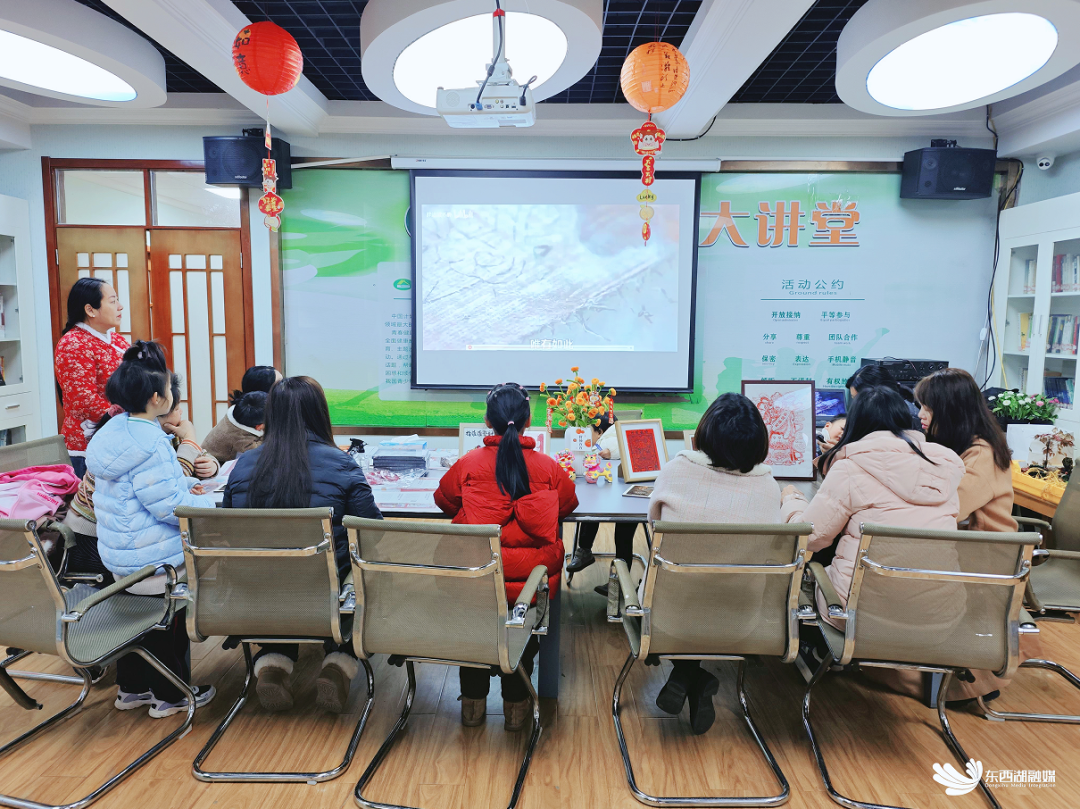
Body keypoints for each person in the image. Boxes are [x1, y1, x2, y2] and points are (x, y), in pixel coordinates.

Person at [223, 376, 382, 714]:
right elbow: (372, 530)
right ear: (319, 413)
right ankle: (337, 664)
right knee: (363, 570)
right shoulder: (342, 463)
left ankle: (272, 665)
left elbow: (228, 525)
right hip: (325, 589)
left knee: (278, 577)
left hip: (255, 588)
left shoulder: (244, 464)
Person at [781, 386, 965, 674]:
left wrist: (792, 501)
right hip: (940, 616)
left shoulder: (850, 468)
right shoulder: (943, 468)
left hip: (860, 616)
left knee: (804, 571)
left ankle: (818, 651)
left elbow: (809, 538)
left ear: (856, 423)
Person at [435, 382, 578, 731]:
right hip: (530, 586)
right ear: (528, 421)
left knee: (476, 631)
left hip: (479, 577)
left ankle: (472, 705)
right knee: (523, 634)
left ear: (487, 421)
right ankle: (516, 706)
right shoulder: (548, 467)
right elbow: (568, 504)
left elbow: (444, 501)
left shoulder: (468, 464)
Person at [87, 341, 217, 718]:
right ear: (158, 398)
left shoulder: (115, 432)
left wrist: (185, 485)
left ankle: (132, 690)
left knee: (135, 622)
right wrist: (209, 504)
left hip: (121, 556)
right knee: (166, 623)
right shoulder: (151, 443)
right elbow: (169, 507)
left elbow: (142, 490)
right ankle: (171, 695)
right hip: (154, 559)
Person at [648, 393, 784, 735]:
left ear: (704, 433)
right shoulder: (769, 487)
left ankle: (689, 674)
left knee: (685, 585)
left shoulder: (677, 471)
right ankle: (695, 678)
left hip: (669, 613)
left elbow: (654, 531)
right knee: (710, 589)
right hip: (742, 616)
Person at [64, 374, 218, 585]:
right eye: (176, 408)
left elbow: (171, 480)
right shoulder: (141, 445)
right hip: (94, 540)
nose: (181, 413)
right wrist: (190, 440)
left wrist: (211, 465)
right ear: (158, 407)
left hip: (123, 541)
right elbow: (168, 497)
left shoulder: (142, 430)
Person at [54, 278, 129, 477]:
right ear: (90, 310)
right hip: (87, 446)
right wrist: (130, 417)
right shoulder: (73, 343)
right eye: (112, 301)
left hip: (122, 437)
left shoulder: (118, 341)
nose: (120, 306)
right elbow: (83, 400)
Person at [565, 413, 642, 595]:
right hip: (618, 492)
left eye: (589, 431)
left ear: (599, 432)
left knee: (620, 521)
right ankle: (618, 577)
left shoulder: (611, 439)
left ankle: (586, 551)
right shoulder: (605, 439)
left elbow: (617, 447)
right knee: (598, 508)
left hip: (625, 493)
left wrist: (608, 452)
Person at [818, 365, 919, 455]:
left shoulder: (908, 418)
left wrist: (841, 456)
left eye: (858, 399)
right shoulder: (873, 417)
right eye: (854, 399)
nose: (856, 405)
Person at [201, 390, 267, 463]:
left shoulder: (238, 412)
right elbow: (260, 449)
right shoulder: (241, 439)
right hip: (215, 462)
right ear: (259, 427)